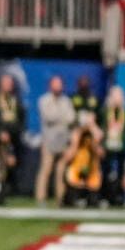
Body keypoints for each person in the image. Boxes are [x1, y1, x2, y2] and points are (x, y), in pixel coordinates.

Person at [35, 75, 76, 207]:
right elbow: (49, 117)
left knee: (61, 171)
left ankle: (60, 199)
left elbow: (71, 118)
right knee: (46, 170)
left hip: (63, 141)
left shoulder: (66, 100)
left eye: (60, 84)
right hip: (49, 141)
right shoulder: (44, 100)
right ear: (50, 85)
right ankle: (41, 199)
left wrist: (61, 120)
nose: (58, 86)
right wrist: (62, 119)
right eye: (55, 84)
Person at [0, 73, 25, 196]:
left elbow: (20, 122)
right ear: (0, 84)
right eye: (6, 83)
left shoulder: (16, 101)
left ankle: (8, 190)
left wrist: (10, 133)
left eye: (10, 83)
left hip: (13, 140)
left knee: (11, 164)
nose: (8, 86)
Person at [99, 85, 125, 206]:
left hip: (121, 147)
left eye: (119, 96)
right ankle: (104, 197)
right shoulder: (105, 111)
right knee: (106, 172)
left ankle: (120, 197)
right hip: (107, 146)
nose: (117, 99)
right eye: (115, 96)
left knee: (122, 173)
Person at [62, 119, 105, 207]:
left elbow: (101, 154)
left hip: (90, 176)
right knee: (71, 198)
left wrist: (94, 140)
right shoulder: (75, 141)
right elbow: (67, 157)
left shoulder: (92, 141)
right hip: (76, 176)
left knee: (93, 198)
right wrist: (75, 141)